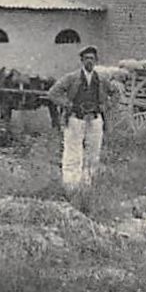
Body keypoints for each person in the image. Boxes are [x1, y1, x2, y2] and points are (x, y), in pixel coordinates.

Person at [47, 46, 112, 189]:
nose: (89, 61)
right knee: (73, 153)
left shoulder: (101, 79)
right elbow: (52, 93)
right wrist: (67, 104)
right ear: (82, 61)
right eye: (86, 58)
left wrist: (105, 106)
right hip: (76, 118)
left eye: (92, 58)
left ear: (96, 61)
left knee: (93, 154)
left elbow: (116, 93)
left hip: (95, 120)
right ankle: (70, 185)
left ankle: (87, 185)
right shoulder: (71, 78)